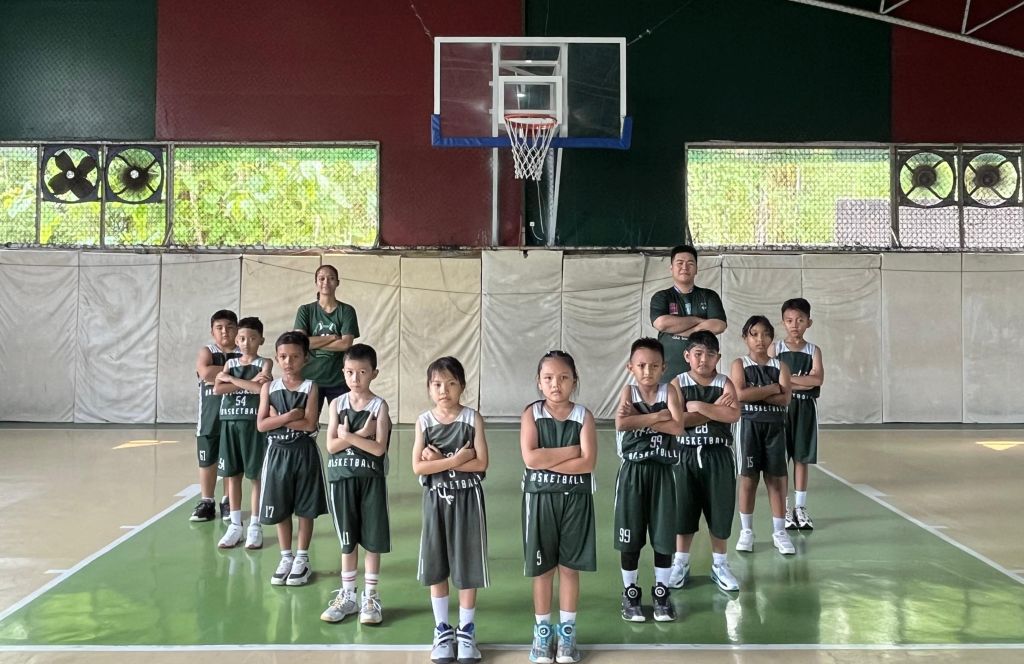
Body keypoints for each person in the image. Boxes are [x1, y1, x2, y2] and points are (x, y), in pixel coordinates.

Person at [521, 350, 597, 663]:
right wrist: (571, 451)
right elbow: (530, 458)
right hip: (540, 499)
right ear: (539, 382)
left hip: (576, 499)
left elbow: (588, 463)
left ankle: (567, 634)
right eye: (549, 378)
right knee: (543, 569)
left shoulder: (583, 416)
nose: (556, 384)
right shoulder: (532, 414)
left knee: (568, 568)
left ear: (574, 381)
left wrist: (548, 459)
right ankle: (542, 633)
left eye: (564, 377)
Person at [412, 357, 489, 664]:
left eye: (451, 383)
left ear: (462, 386)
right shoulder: (423, 421)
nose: (444, 390)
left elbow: (481, 463)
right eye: (437, 384)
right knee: (436, 564)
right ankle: (442, 629)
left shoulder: (472, 418)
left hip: (468, 499)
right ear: (429, 388)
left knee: (467, 565)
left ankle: (467, 630)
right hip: (436, 500)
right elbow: (419, 466)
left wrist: (438, 462)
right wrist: (455, 460)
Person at [320, 343, 393, 625]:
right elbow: (330, 446)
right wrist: (362, 433)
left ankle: (370, 597)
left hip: (371, 480)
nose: (355, 378)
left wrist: (348, 436)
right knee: (347, 542)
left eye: (362, 372)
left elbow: (378, 449)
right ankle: (348, 596)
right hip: (342, 479)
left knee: (372, 541)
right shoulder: (337, 404)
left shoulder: (379, 406)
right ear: (343, 373)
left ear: (374, 373)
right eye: (350, 372)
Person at [613, 339, 683, 624]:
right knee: (630, 536)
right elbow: (621, 423)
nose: (647, 371)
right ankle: (630, 592)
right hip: (633, 472)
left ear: (663, 367)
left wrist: (640, 418)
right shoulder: (628, 392)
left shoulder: (670, 391)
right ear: (630, 367)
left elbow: (677, 427)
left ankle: (661, 591)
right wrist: (657, 416)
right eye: (641, 365)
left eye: (654, 366)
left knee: (664, 535)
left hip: (663, 472)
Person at [669, 331, 742, 593]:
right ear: (687, 355)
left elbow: (733, 414)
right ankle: (680, 562)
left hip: (718, 455)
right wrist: (714, 410)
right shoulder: (677, 383)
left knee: (720, 511)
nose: (704, 360)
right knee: (683, 510)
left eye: (710, 355)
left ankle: (720, 564)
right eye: (698, 354)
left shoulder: (725, 382)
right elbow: (678, 421)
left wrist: (698, 405)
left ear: (718, 358)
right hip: (685, 455)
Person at [256, 331, 329, 587]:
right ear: (276, 358)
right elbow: (262, 425)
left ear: (305, 358)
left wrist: (276, 418)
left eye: (295, 356)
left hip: (304, 452)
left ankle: (302, 558)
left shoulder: (311, 387)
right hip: (277, 453)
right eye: (284, 356)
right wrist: (288, 417)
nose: (289, 362)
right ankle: (285, 556)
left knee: (305, 508)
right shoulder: (269, 387)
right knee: (281, 505)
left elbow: (309, 424)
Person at [730, 316, 795, 556]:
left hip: (775, 427)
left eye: (766, 334)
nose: (760, 339)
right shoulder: (740, 364)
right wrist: (770, 389)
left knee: (776, 480)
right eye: (754, 334)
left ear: (772, 338)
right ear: (745, 337)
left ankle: (780, 532)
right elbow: (740, 395)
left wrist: (755, 392)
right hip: (748, 426)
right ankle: (746, 531)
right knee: (748, 479)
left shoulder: (781, 366)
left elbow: (785, 398)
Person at [213, 316, 272, 549]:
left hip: (253, 424)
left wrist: (231, 380)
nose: (247, 343)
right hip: (229, 422)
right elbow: (217, 389)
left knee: (255, 476)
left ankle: (255, 525)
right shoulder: (230, 363)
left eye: (252, 338)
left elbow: (260, 389)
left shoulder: (265, 363)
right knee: (233, 475)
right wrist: (246, 382)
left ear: (261, 340)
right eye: (242, 339)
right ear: (237, 340)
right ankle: (235, 525)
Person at [770, 298, 824, 531]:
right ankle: (783, 507)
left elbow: (817, 379)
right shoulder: (776, 349)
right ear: (783, 322)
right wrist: (801, 381)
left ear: (809, 322)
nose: (795, 325)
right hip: (781, 408)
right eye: (790, 320)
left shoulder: (813, 350)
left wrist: (787, 381)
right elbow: (772, 380)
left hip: (805, 409)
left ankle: (800, 507)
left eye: (800, 320)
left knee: (802, 458)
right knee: (781, 458)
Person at [650, 245, 727, 383]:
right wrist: (699, 321)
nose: (684, 267)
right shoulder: (661, 296)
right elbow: (661, 323)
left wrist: (679, 329)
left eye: (690, 263)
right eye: (680, 263)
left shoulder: (709, 295)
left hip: (703, 373)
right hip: (668, 372)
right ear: (671, 268)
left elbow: (719, 325)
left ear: (696, 269)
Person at [190, 310, 240, 523]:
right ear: (212, 332)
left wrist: (219, 374)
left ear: (237, 330)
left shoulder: (243, 352)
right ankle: (207, 501)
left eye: (229, 327)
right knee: (207, 459)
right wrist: (236, 373)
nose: (225, 331)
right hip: (209, 417)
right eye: (219, 328)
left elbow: (250, 370)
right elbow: (205, 372)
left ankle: (228, 501)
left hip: (235, 416)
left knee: (231, 460)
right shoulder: (207, 351)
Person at [293, 264, 360, 417]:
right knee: (306, 423)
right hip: (310, 378)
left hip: (338, 379)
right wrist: (331, 338)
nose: (326, 282)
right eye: (321, 278)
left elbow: (346, 344)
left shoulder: (346, 311)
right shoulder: (305, 310)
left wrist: (312, 343)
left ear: (337, 282)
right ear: (316, 282)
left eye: (331, 278)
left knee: (343, 423)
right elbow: (300, 343)